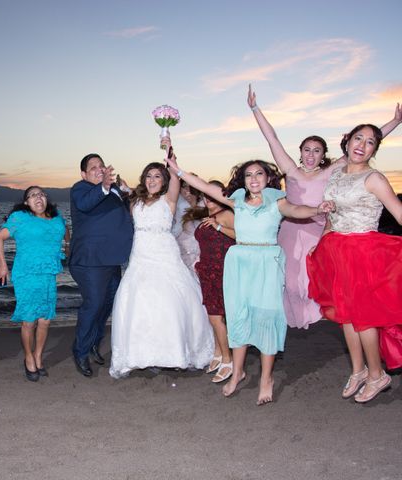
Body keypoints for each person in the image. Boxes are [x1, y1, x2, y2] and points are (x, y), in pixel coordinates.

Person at [167, 153, 334, 405]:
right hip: (240, 262)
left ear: (268, 178)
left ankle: (266, 378)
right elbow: (203, 186)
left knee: (266, 318)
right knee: (239, 317)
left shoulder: (277, 201)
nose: (254, 178)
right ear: (243, 180)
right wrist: (178, 171)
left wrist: (317, 208)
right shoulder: (236, 201)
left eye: (259, 173)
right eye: (248, 174)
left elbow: (297, 210)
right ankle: (237, 373)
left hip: (267, 262)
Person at [248, 85, 402, 329]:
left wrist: (395, 121)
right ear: (300, 153)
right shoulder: (291, 170)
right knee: (290, 280)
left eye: (317, 151)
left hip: (317, 230)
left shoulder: (333, 170)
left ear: (324, 155)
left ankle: (321, 315)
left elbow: (363, 143)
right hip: (290, 229)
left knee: (313, 280)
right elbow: (272, 139)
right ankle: (291, 318)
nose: (311, 155)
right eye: (307, 150)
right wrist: (255, 108)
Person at [307, 124, 402, 403]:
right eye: (358, 138)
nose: (362, 144)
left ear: (374, 150)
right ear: (347, 142)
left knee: (364, 317)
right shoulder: (335, 175)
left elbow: (398, 211)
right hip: (337, 250)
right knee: (344, 314)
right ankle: (358, 370)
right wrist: (323, 240)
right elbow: (330, 216)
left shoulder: (374, 178)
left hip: (364, 252)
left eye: (370, 142)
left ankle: (377, 375)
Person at [109, 162, 214, 378]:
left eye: (157, 176)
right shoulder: (135, 201)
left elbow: (176, 177)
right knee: (141, 303)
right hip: (140, 255)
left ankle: (174, 353)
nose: (152, 180)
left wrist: (169, 152)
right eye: (149, 176)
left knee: (169, 302)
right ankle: (141, 354)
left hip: (165, 254)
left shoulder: (170, 199)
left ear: (164, 180)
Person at [0, 186, 68, 381]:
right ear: (26, 202)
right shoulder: (20, 217)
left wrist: (67, 247)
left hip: (48, 274)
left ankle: (38, 356)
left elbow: (65, 231)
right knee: (29, 320)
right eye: (33, 195)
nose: (39, 197)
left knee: (45, 319)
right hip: (26, 274)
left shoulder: (56, 216)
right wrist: (3, 266)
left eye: (42, 194)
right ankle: (28, 357)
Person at [69, 154, 133, 377]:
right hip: (90, 261)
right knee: (93, 305)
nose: (99, 169)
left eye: (101, 166)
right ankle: (80, 351)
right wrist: (105, 186)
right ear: (84, 174)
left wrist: (128, 195)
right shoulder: (81, 189)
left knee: (107, 305)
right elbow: (86, 204)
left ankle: (95, 343)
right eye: (93, 167)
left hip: (112, 259)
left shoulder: (114, 191)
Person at [193, 180, 236, 383]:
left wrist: (219, 226)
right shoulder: (208, 215)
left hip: (222, 270)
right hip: (207, 270)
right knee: (215, 315)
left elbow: (243, 236)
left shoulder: (228, 214)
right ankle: (219, 353)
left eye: (212, 196)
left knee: (216, 317)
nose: (207, 199)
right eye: (205, 196)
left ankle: (229, 360)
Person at [175, 181, 206, 275]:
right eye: (184, 187)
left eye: (191, 187)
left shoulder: (205, 207)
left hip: (200, 255)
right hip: (181, 253)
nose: (188, 190)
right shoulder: (175, 208)